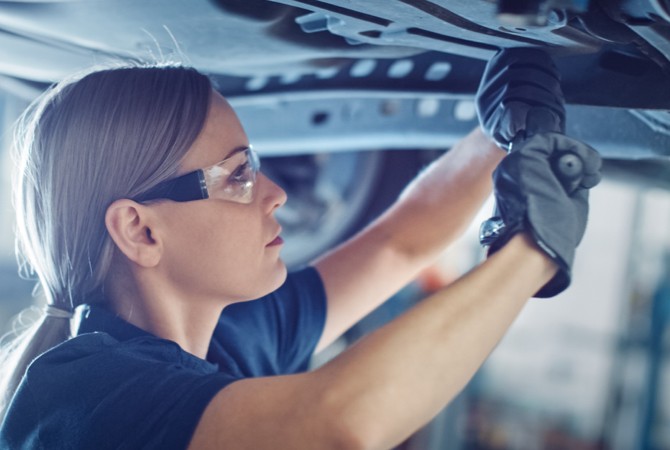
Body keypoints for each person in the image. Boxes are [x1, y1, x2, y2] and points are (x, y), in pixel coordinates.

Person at [0, 48, 601, 449]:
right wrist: (532, 249)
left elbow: (399, 242)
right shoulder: (76, 400)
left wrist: (504, 132)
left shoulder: (227, 342)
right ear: (141, 231)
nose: (277, 194)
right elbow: (339, 423)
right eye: (237, 177)